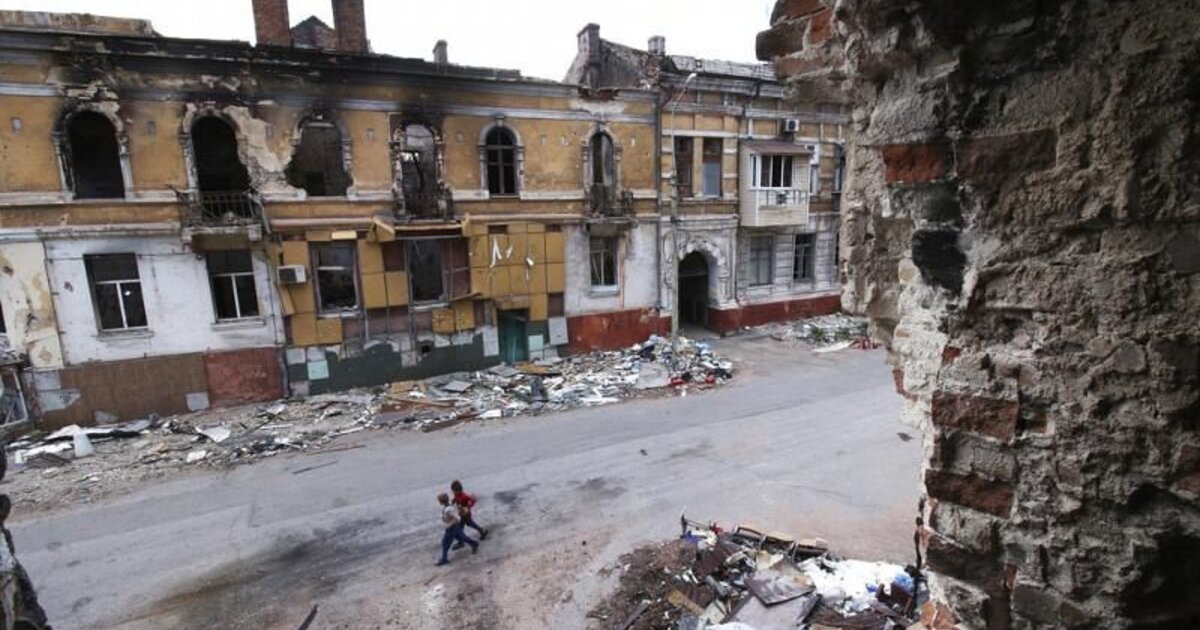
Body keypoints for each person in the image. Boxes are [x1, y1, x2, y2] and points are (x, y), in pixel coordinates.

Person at [436, 492, 477, 566]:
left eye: (439, 500)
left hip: (451, 528)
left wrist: (449, 524)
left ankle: (444, 559)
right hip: (455, 527)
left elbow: (457, 518)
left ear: (441, 501)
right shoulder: (450, 506)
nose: (438, 502)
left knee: (445, 543)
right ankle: (474, 543)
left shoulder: (448, 510)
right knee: (462, 537)